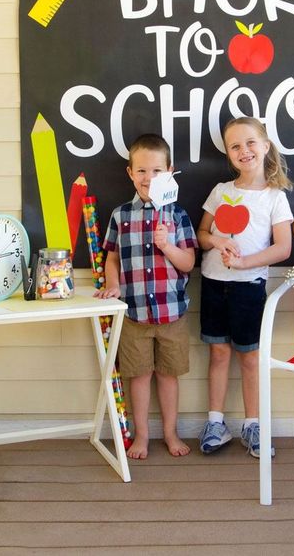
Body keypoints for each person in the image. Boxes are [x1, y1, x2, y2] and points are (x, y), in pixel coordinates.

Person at [95, 134, 197, 459]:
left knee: (168, 376)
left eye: (155, 171)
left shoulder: (177, 215)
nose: (147, 178)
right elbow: (111, 257)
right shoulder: (120, 216)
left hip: (172, 313)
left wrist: (167, 245)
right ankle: (142, 436)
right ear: (130, 173)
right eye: (141, 171)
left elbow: (189, 263)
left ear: (169, 172)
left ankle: (170, 433)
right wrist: (113, 285)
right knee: (138, 376)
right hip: (134, 314)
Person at [197, 116, 293, 458]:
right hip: (213, 284)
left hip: (249, 288)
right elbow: (201, 235)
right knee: (218, 354)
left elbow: (283, 248)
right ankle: (215, 422)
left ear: (265, 146)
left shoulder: (274, 197)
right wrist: (217, 239)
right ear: (228, 154)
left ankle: (253, 425)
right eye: (235, 146)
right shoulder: (221, 192)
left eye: (251, 142)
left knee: (249, 358)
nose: (244, 150)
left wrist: (243, 263)